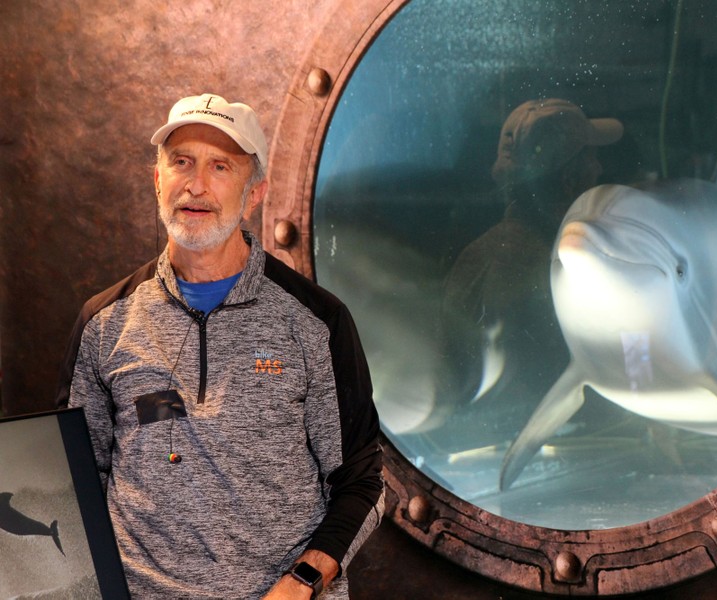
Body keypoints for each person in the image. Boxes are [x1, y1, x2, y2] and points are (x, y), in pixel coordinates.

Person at [55, 93, 384, 599]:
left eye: (221, 166)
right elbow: (75, 481)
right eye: (180, 162)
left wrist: (304, 582)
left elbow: (363, 480)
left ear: (254, 193)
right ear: (157, 179)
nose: (197, 184)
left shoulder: (316, 322)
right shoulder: (105, 322)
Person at [438, 99, 623, 440]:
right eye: (590, 158)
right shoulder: (558, 269)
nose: (598, 169)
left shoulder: (478, 255)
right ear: (570, 179)